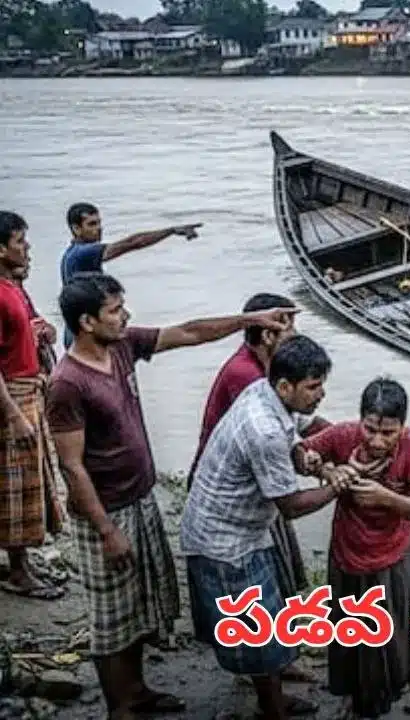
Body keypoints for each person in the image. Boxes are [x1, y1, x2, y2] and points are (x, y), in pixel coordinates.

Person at [46, 271, 298, 720]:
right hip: (107, 511)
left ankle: (138, 690)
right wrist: (106, 530)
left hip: (141, 498)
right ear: (87, 321)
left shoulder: (121, 346)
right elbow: (72, 465)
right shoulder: (68, 382)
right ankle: (119, 706)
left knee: (140, 606)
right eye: (115, 310)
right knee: (111, 616)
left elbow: (189, 332)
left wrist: (251, 319)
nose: (126, 316)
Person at [181, 335, 346, 720]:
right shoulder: (264, 428)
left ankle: (275, 679)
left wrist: (322, 449)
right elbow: (290, 506)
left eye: (322, 384)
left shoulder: (265, 391)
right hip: (224, 543)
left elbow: (304, 428)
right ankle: (272, 708)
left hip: (244, 530)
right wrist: (336, 485)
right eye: (313, 387)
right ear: (285, 386)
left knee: (267, 618)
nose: (321, 394)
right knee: (256, 632)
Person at [298, 377, 410, 719]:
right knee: (352, 639)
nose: (377, 441)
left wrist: (385, 498)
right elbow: (298, 452)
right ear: (360, 421)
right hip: (348, 553)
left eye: (388, 433)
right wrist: (326, 469)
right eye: (370, 429)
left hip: (396, 556)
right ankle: (358, 703)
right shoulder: (343, 436)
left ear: (402, 427)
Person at [0, 211, 66, 601]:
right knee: (15, 487)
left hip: (28, 389)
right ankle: (18, 571)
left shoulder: (14, 288)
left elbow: (29, 323)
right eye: (19, 242)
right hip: (12, 395)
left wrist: (42, 329)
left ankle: (21, 561)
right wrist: (12, 414)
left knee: (29, 483)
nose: (26, 248)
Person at [59, 203, 202, 348]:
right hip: (86, 332)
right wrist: (171, 231)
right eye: (92, 224)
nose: (99, 228)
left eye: (99, 223)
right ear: (76, 229)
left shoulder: (70, 253)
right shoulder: (83, 253)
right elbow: (132, 243)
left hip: (76, 330)